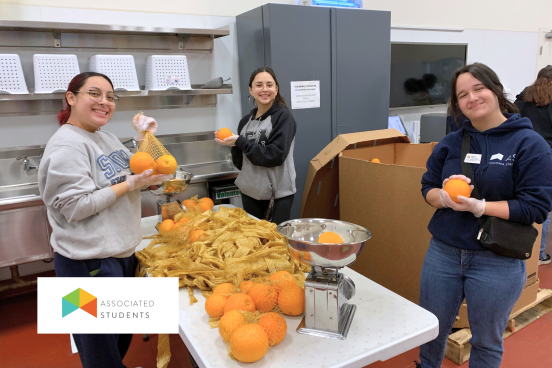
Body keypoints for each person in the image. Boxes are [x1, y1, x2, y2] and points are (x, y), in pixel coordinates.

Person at [418, 63, 552, 368]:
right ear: (457, 104)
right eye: (462, 94)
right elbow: (427, 187)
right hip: (444, 252)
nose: (472, 98)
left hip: (497, 259)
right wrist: (441, 198)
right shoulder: (452, 143)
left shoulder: (530, 144)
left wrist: (480, 207)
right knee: (431, 331)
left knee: (486, 340)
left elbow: (535, 208)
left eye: (478, 88)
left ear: (495, 90)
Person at [38, 72, 170, 368]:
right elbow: (75, 207)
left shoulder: (104, 136)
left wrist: (143, 141)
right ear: (71, 98)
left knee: (118, 340)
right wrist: (131, 185)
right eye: (94, 94)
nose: (104, 102)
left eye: (110, 97)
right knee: (99, 355)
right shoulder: (66, 145)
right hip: (85, 265)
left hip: (121, 255)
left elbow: (132, 170)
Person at [214, 67, 297, 224]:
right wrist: (233, 145)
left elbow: (274, 156)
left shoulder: (283, 116)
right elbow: (241, 163)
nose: (264, 89)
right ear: (251, 90)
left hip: (277, 195)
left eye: (269, 85)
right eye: (259, 85)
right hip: (250, 193)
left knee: (273, 243)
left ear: (276, 89)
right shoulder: (245, 122)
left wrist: (240, 141)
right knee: (254, 241)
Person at [515, 65, 552, 265]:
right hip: (546, 157)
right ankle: (539, 253)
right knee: (542, 204)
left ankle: (519, 246)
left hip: (519, 155)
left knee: (522, 200)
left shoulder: (521, 100)